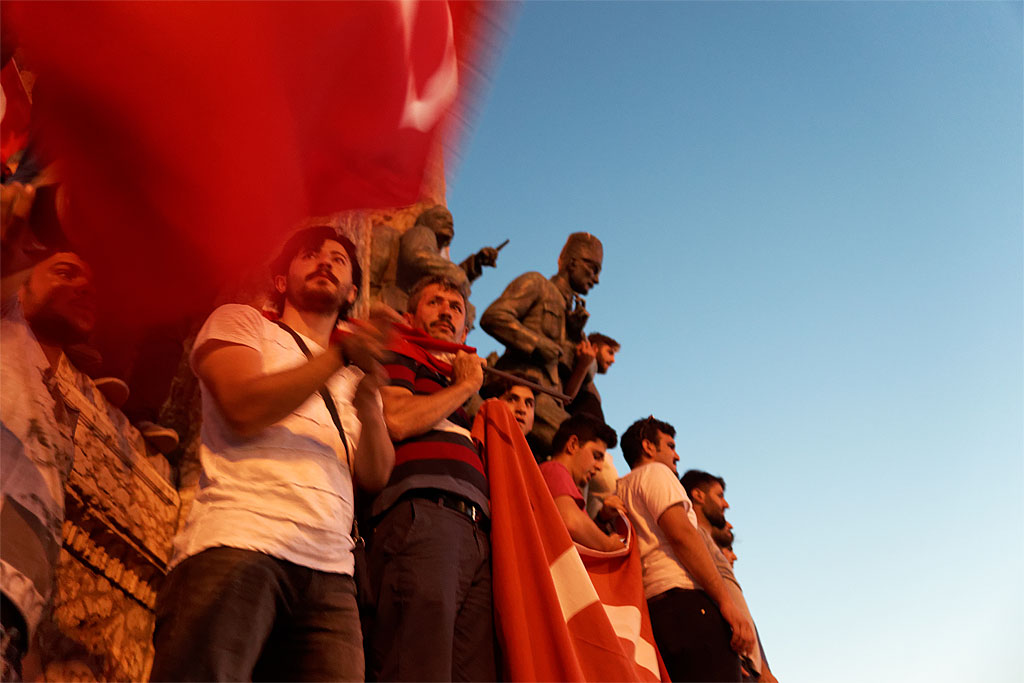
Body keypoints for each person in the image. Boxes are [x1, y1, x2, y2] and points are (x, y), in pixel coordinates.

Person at [149, 225, 394, 682]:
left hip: (332, 576)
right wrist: (337, 360)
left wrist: (370, 408)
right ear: (281, 281)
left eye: (338, 259)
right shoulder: (241, 323)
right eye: (309, 254)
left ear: (352, 292)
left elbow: (375, 475)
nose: (325, 261)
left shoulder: (355, 372)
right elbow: (243, 406)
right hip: (238, 542)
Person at [370, 274, 495, 682]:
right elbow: (398, 419)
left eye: (455, 307)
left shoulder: (451, 383)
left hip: (476, 533)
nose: (446, 311)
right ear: (410, 315)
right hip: (425, 514)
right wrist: (466, 386)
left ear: (466, 327)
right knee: (417, 666)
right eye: (434, 302)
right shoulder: (402, 351)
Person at [1, 249, 96, 681]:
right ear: (21, 285)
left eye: (91, 286)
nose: (83, 288)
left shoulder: (60, 409)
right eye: (64, 273)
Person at [616, 417, 756, 682]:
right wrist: (726, 602)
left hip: (654, 615)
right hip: (688, 605)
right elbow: (682, 535)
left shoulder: (620, 489)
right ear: (648, 447)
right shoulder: (656, 473)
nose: (676, 455)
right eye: (670, 445)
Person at [480, 232, 603, 456]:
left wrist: (575, 336)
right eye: (593, 269)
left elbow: (586, 374)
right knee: (583, 450)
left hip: (551, 403)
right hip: (524, 390)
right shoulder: (536, 284)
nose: (596, 279)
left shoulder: (574, 317)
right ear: (573, 261)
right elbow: (494, 317)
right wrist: (538, 344)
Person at [681, 471, 776, 683]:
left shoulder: (708, 541)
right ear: (698, 495)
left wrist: (761, 666)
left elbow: (740, 610)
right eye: (719, 495)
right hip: (734, 657)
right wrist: (737, 659)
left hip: (746, 661)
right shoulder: (693, 534)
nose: (726, 504)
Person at [539, 414, 626, 552]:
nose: (599, 467)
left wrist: (602, 518)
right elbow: (571, 522)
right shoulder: (554, 469)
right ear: (573, 445)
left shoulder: (561, 480)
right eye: (596, 456)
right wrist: (609, 545)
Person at [566, 331, 620, 422]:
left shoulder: (591, 384)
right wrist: (583, 365)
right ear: (595, 348)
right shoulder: (576, 369)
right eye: (610, 352)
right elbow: (566, 398)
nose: (613, 360)